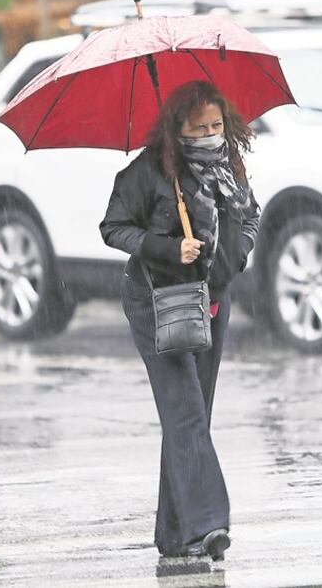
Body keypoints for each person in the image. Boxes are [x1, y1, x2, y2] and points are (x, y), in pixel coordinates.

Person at [99, 81, 260, 560]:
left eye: (216, 125)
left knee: (193, 415)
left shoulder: (230, 167)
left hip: (212, 299)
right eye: (198, 127)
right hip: (157, 300)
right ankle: (209, 525)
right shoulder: (148, 172)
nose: (210, 135)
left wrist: (238, 252)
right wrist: (171, 248)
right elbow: (113, 228)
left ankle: (175, 534)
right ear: (177, 129)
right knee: (185, 410)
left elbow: (251, 215)